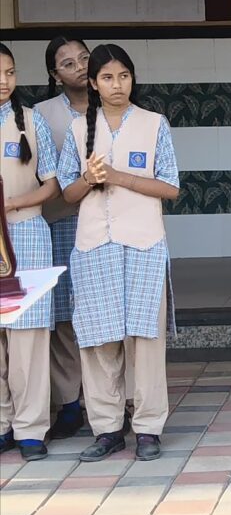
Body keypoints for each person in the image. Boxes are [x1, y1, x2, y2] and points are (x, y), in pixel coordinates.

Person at [58, 44, 179, 463]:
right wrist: (89, 180)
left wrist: (119, 176)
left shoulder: (153, 123)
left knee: (145, 339)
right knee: (99, 340)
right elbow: (67, 192)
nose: (117, 85)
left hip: (144, 243)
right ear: (93, 83)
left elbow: (171, 186)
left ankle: (148, 428)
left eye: (123, 76)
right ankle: (108, 429)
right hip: (94, 245)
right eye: (107, 78)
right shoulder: (78, 129)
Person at [0, 42, 59, 461]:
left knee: (29, 337)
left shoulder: (32, 120)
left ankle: (31, 429)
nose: (3, 81)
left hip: (26, 234)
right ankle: (2, 424)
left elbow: (51, 184)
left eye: (9, 72)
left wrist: (12, 204)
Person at [35, 36, 90, 439]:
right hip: (61, 222)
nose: (80, 67)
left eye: (84, 58)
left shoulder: (115, 104)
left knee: (104, 311)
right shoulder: (42, 114)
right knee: (64, 317)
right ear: (55, 75)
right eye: (68, 63)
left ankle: (116, 401)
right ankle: (69, 404)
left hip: (109, 222)